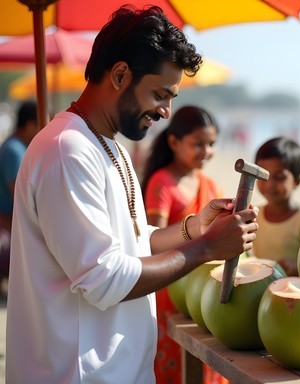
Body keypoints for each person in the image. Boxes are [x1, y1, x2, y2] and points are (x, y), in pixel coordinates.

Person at [6, 6, 259, 383]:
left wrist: (196, 229)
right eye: (160, 94)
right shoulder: (67, 150)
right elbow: (106, 278)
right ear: (121, 74)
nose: (165, 111)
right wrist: (206, 250)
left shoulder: (110, 146)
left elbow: (137, 245)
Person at [141, 105, 226, 383]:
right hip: (170, 288)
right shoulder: (162, 183)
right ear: (174, 142)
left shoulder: (209, 184)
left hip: (204, 290)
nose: (206, 151)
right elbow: (155, 239)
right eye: (197, 144)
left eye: (211, 144)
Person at [251, 137, 300, 276]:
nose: (269, 184)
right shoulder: (253, 214)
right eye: (263, 176)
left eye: (279, 177)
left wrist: (295, 267)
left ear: (297, 181)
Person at [0, 100, 38, 291]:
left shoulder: (14, 146)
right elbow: (20, 196)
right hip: (6, 224)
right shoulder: (15, 150)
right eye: (40, 125)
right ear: (31, 124)